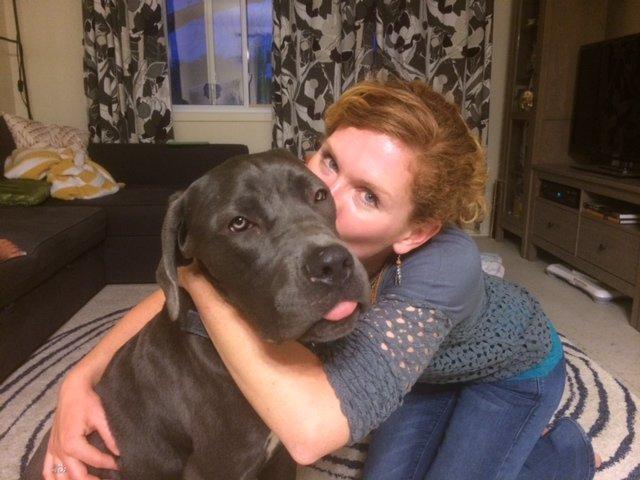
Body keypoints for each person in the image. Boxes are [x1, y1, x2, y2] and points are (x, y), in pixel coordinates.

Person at [39, 76, 598, 480]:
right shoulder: (303, 222)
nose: (323, 195)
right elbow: (168, 298)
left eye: (369, 195)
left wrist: (199, 278)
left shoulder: (445, 266)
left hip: (511, 373)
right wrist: (80, 379)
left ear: (415, 231)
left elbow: (308, 435)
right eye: (329, 162)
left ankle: (566, 452)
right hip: (417, 373)